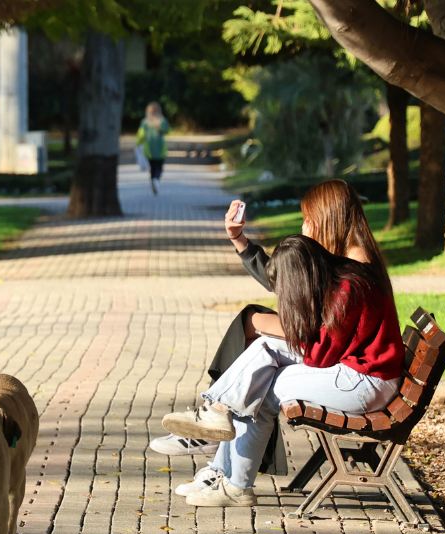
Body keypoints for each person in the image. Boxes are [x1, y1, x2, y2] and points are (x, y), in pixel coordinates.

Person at [149, 179, 392, 469]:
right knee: (252, 331)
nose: (304, 229)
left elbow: (320, 352)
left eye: (307, 221)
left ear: (326, 221)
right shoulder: (346, 265)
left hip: (361, 380)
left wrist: (275, 327)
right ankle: (216, 425)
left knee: (256, 370)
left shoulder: (353, 279)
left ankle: (217, 432)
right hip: (355, 370)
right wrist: (239, 239)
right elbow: (291, 286)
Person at [161, 234, 404, 507]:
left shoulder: (347, 291)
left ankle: (235, 482)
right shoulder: (344, 277)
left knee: (260, 387)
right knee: (264, 348)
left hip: (364, 383)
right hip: (361, 374)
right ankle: (216, 415)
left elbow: (320, 356)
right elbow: (323, 348)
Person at [135, 101, 170, 195]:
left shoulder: (145, 122)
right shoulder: (163, 121)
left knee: (152, 167)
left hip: (149, 149)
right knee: (159, 167)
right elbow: (168, 131)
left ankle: (153, 180)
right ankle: (156, 179)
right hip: (160, 148)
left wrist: (137, 144)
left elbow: (141, 135)